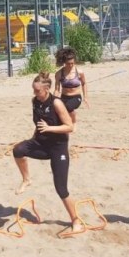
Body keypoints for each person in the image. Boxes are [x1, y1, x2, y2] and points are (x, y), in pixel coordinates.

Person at [12, 72, 82, 232]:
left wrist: (50, 128)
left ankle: (76, 220)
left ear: (47, 89)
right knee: (18, 150)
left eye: (37, 91)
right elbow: (38, 125)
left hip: (58, 148)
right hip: (41, 144)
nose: (35, 93)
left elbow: (69, 126)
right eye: (33, 90)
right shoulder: (35, 102)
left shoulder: (56, 103)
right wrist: (33, 140)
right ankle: (27, 179)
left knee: (61, 188)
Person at [53, 47, 89, 123]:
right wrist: (54, 99)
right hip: (64, 97)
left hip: (76, 97)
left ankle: (73, 122)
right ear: (64, 63)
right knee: (57, 110)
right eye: (68, 64)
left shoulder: (79, 72)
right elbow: (57, 89)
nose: (71, 65)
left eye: (72, 63)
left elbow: (84, 83)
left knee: (68, 107)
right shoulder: (59, 74)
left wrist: (85, 97)